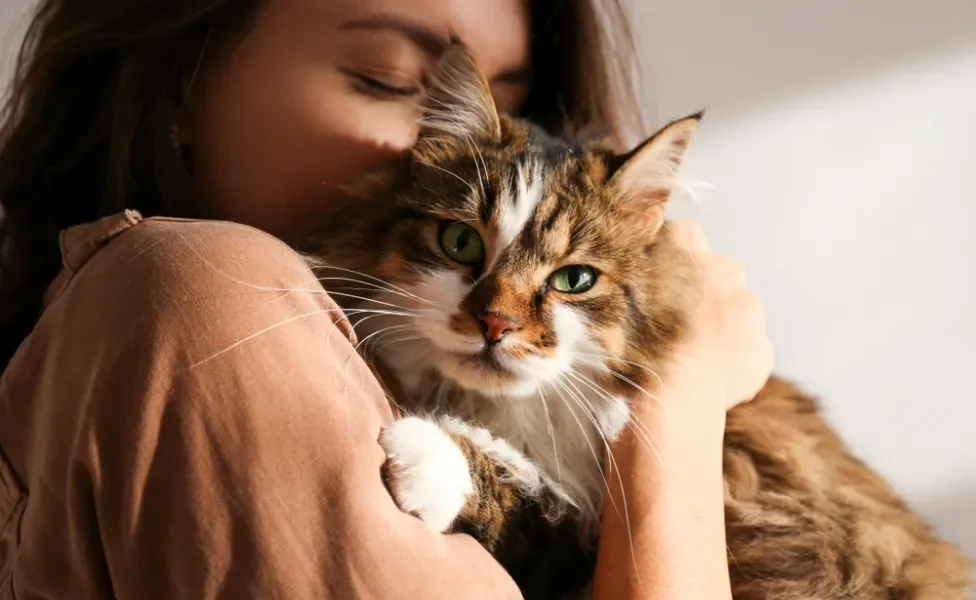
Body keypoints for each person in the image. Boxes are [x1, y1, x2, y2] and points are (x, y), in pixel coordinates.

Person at [0, 0, 772, 598]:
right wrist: (678, 405)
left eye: (512, 103)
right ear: (177, 74)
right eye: (393, 81)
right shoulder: (207, 293)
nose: (447, 151)